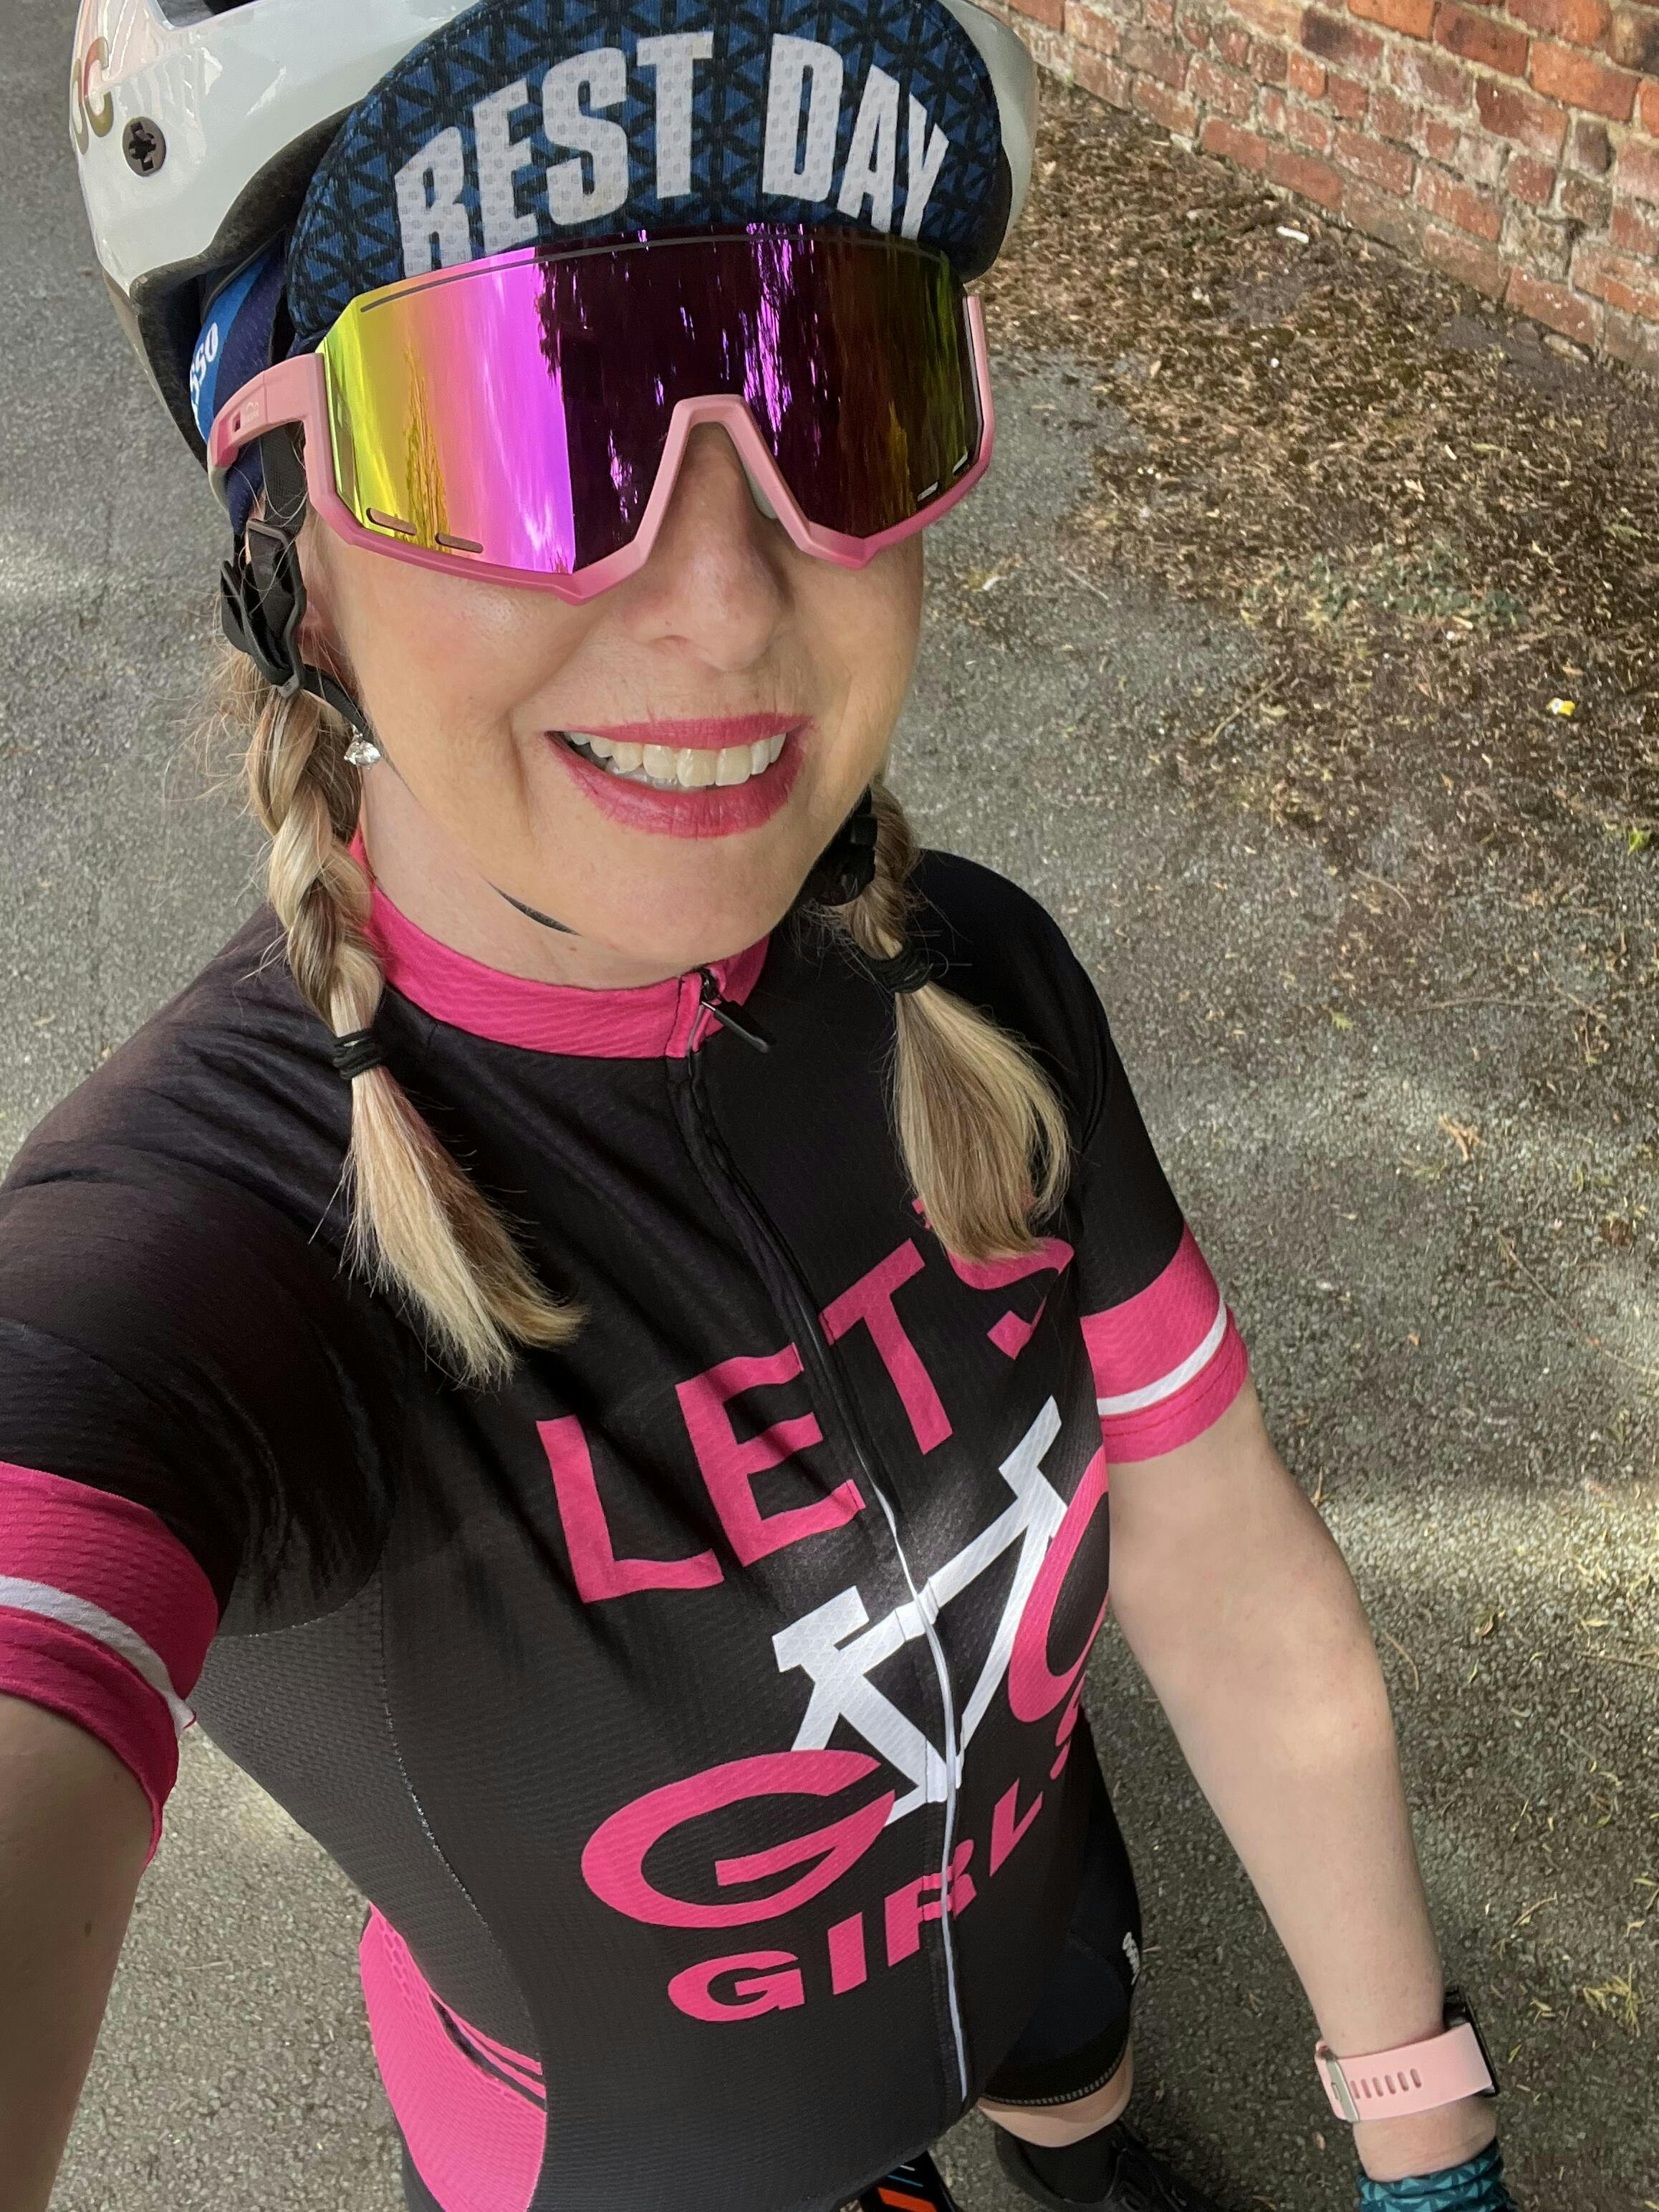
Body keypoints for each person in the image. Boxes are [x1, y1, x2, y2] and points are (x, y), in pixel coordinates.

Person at [1, 2, 1521, 2209]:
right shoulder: (188, 1256)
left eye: (833, 379)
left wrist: (1419, 2123)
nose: (725, 605)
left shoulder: (972, 970)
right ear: (284, 545)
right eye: (515, 412)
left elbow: (1211, 1549)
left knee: (1076, 2080)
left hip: (1036, 1943)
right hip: (641, 2168)